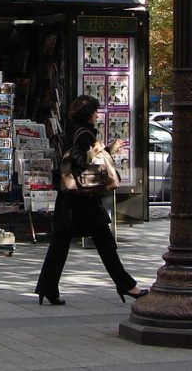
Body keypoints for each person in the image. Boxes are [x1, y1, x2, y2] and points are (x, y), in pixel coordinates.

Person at [35, 95, 148, 306]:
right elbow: (81, 158)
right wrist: (106, 150)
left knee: (61, 243)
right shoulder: (85, 133)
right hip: (83, 199)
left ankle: (47, 287)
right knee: (105, 243)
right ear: (88, 115)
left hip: (70, 198)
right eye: (95, 112)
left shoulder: (72, 129)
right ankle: (126, 285)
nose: (97, 115)